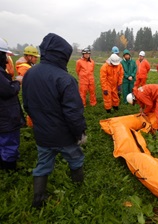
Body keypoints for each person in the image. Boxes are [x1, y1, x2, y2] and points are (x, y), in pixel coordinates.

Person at [22, 33, 87, 208]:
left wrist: (40, 123)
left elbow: (26, 105)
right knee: (75, 158)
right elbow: (74, 113)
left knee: (43, 164)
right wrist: (80, 132)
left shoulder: (29, 74)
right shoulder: (65, 79)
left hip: (42, 134)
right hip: (64, 135)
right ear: (63, 56)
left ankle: (38, 199)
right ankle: (79, 188)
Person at [0, 38, 24, 171]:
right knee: (9, 142)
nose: (6, 59)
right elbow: (8, 90)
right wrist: (17, 82)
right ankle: (10, 169)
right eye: (4, 55)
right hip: (5, 117)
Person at [15, 45, 40, 127]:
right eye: (35, 57)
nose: (36, 59)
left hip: (32, 91)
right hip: (31, 92)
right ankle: (31, 126)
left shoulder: (28, 66)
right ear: (29, 56)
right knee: (33, 109)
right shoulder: (24, 68)